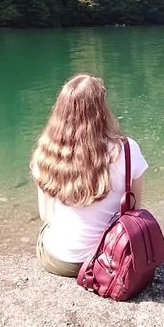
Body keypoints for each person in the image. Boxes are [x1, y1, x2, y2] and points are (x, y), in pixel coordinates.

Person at [30, 74, 149, 277]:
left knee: (46, 232)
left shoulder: (46, 152)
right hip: (112, 257)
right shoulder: (127, 149)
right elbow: (134, 209)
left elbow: (46, 216)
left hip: (61, 260)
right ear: (102, 109)